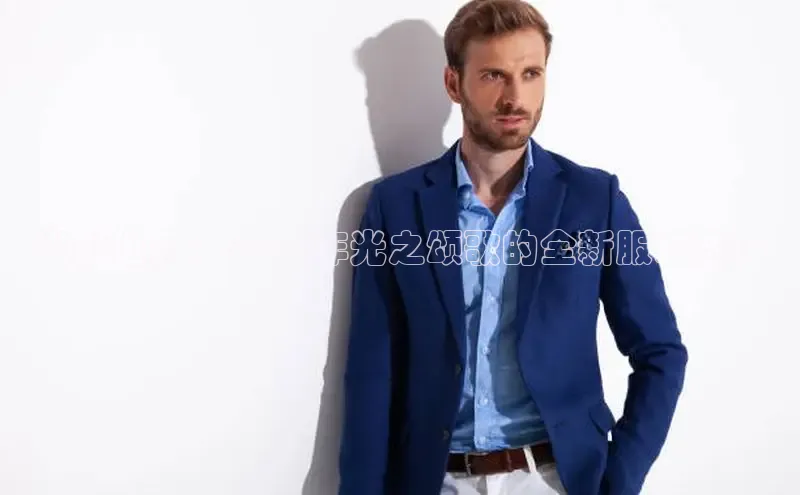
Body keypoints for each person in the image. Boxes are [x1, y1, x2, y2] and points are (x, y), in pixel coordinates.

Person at [337, 0, 688, 493]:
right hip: (437, 480)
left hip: (554, 478)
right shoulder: (394, 207)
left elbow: (661, 352)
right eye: (493, 76)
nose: (515, 97)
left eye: (530, 74)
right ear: (454, 84)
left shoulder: (595, 200)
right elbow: (371, 374)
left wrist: (619, 481)